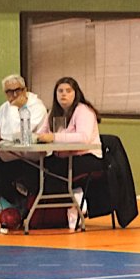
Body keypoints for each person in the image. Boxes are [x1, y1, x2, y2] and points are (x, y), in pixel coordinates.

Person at [36, 77, 104, 227]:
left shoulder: (83, 111)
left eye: (68, 91)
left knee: (53, 172)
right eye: (60, 91)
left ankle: (76, 201)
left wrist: (54, 137)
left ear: (76, 93)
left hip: (86, 157)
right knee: (36, 169)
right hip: (63, 157)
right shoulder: (53, 113)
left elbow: (83, 138)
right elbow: (41, 133)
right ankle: (71, 202)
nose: (63, 94)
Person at [0, 75, 47, 207]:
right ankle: (4, 203)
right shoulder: (5, 108)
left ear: (25, 90)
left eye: (17, 90)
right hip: (7, 157)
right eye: (9, 91)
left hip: (30, 161)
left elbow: (20, 135)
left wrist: (18, 108)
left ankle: (17, 204)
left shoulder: (37, 107)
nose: (13, 94)